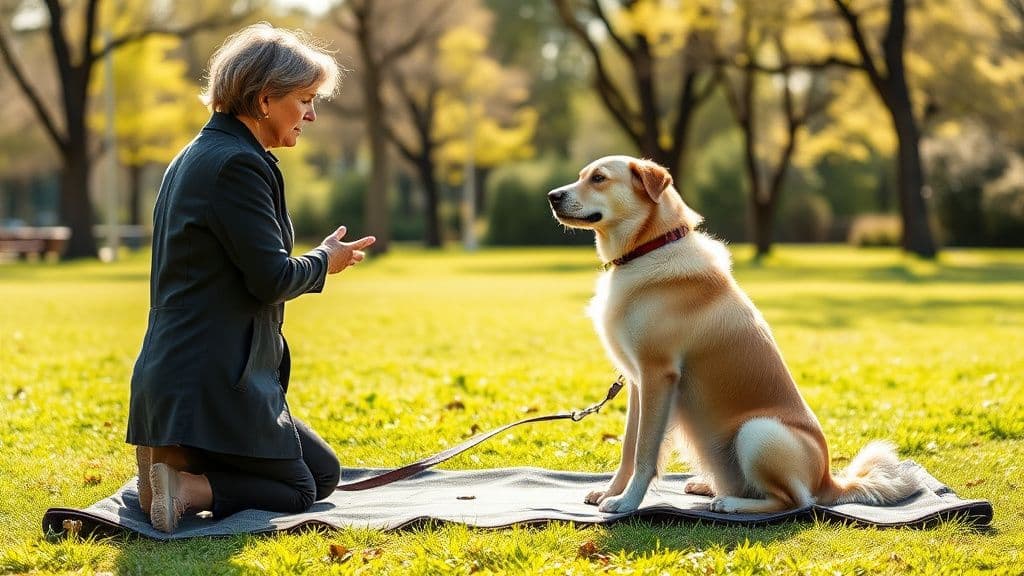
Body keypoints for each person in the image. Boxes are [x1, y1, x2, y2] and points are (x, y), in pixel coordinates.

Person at [125, 22, 375, 534]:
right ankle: (188, 486)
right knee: (301, 489)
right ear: (265, 100)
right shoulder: (238, 164)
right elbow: (271, 278)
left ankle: (177, 466)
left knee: (323, 471)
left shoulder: (199, 153)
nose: (311, 114)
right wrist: (327, 259)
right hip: (211, 382)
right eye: (305, 99)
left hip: (184, 377)